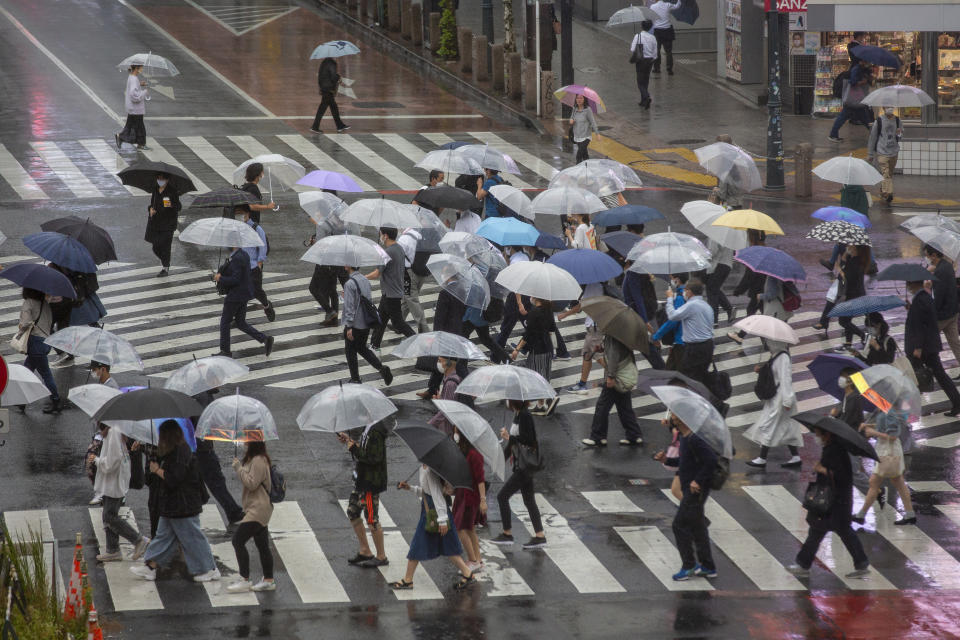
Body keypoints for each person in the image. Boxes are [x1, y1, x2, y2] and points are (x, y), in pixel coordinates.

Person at [130, 421, 220, 582]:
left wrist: (157, 470)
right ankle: (150, 566)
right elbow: (160, 455)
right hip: (173, 505)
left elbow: (174, 478)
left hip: (184, 505)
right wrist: (144, 449)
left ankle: (210, 568)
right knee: (163, 537)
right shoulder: (175, 450)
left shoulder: (182, 452)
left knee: (193, 537)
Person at [786, 425, 870, 578]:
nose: (816, 437)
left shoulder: (835, 451)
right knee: (820, 531)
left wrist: (821, 469)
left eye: (818, 434)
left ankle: (803, 565)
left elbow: (841, 476)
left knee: (828, 531)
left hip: (835, 501)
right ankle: (804, 564)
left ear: (827, 435)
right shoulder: (831, 448)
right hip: (835, 501)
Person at [394, 465, 476, 590]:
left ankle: (408, 579)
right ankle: (467, 573)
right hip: (431, 509)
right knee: (448, 545)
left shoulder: (430, 470)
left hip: (435, 512)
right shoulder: (424, 467)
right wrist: (410, 488)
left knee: (418, 544)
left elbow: (437, 494)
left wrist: (442, 520)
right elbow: (426, 491)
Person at [490, 401, 547, 549]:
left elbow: (529, 440)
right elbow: (513, 445)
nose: (507, 401)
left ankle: (507, 533)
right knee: (529, 501)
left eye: (509, 398)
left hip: (524, 466)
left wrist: (510, 437)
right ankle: (539, 536)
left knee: (502, 496)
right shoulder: (518, 414)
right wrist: (500, 460)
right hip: (521, 465)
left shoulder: (525, 415)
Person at [670, 408, 717, 581]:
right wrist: (665, 460)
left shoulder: (695, 439)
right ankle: (708, 566)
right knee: (698, 528)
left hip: (695, 491)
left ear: (683, 418)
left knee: (679, 525)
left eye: (675, 414)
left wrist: (698, 480)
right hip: (690, 488)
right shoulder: (685, 437)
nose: (672, 416)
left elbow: (711, 460)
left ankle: (689, 565)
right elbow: (682, 462)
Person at [92, 424, 151, 563]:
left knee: (109, 516)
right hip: (115, 480)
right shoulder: (114, 430)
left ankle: (138, 540)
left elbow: (113, 461)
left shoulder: (113, 431)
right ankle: (112, 550)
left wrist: (96, 460)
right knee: (108, 513)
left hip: (114, 481)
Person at [904, 277, 960, 416]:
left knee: (914, 376)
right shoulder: (924, 298)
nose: (908, 287)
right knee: (939, 375)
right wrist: (911, 308)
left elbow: (922, 326)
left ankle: (907, 410)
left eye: (908, 284)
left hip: (924, 348)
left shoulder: (921, 300)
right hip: (929, 346)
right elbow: (923, 319)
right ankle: (957, 403)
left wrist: (918, 347)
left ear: (912, 284)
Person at [226, 442, 276, 592]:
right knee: (262, 545)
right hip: (257, 508)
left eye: (247, 437)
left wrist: (238, 468)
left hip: (258, 509)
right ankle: (268, 580)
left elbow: (252, 484)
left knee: (238, 540)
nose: (244, 441)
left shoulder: (259, 460)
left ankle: (244, 578)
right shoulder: (253, 458)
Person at [744, 340, 803, 468]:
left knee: (769, 425)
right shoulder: (776, 355)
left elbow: (785, 379)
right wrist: (761, 370)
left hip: (781, 399)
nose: (767, 344)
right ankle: (795, 457)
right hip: (777, 398)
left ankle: (762, 458)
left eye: (769, 342)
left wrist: (787, 400)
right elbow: (773, 374)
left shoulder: (783, 357)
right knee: (787, 427)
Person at [339, 420, 390, 568]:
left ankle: (381, 556)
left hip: (370, 484)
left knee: (372, 519)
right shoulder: (368, 427)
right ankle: (365, 550)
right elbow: (366, 449)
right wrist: (350, 441)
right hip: (362, 480)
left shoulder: (376, 430)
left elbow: (374, 458)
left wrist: (353, 449)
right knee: (352, 512)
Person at [853, 408, 915, 526]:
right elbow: (885, 425)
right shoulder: (884, 410)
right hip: (886, 450)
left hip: (889, 452)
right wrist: (869, 425)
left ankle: (861, 515)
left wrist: (872, 433)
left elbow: (893, 436)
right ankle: (910, 514)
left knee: (874, 483)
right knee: (899, 483)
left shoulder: (890, 411)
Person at [192, 389, 244, 524]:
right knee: (216, 482)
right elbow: (204, 421)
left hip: (198, 447)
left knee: (206, 482)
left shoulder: (203, 394)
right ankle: (234, 512)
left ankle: (233, 511)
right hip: (202, 449)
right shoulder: (203, 397)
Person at [213, 246, 274, 358]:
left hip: (236, 295)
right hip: (244, 293)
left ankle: (225, 351)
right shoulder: (243, 254)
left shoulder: (237, 258)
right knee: (240, 322)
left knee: (225, 322)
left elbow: (235, 279)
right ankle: (265, 339)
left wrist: (220, 278)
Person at [583, 333, 643, 447]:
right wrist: (602, 348)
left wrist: (610, 376)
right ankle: (634, 435)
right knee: (624, 407)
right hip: (623, 374)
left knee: (602, 406)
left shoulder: (613, 335)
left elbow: (614, 356)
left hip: (616, 376)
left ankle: (598, 437)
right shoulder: (623, 334)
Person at [342, 263, 393, 385]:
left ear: (349, 266)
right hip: (365, 322)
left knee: (350, 351)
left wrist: (349, 326)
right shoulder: (365, 280)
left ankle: (355, 378)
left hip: (354, 324)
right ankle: (381, 368)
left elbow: (349, 307)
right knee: (362, 348)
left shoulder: (349, 284)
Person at [368, 227, 417, 350]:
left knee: (398, 323)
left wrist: (361, 278)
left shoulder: (388, 252)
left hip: (391, 293)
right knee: (381, 319)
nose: (380, 237)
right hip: (391, 291)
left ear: (385, 236)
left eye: (380, 234)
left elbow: (376, 273)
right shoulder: (399, 248)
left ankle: (417, 342)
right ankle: (375, 344)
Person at [511, 297, 558, 416]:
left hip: (537, 349)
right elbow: (552, 328)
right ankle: (540, 405)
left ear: (537, 298)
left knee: (536, 376)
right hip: (547, 348)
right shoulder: (548, 310)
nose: (530, 297)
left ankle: (550, 398)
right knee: (543, 375)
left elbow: (528, 334)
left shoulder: (534, 312)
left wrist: (517, 349)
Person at [664, 279, 715, 387]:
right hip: (707, 345)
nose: (684, 293)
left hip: (695, 348)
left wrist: (669, 298)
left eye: (685, 290)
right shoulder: (707, 306)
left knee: (688, 379)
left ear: (690, 292)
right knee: (700, 377)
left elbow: (673, 316)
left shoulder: (692, 305)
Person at [19, 288, 61, 414]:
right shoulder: (45, 304)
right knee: (26, 371)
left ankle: (55, 399)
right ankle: (22, 401)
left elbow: (25, 323)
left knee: (45, 374)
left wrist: (20, 329)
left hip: (35, 344)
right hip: (45, 342)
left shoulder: (28, 303)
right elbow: (49, 323)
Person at [560, 282, 605, 394]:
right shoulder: (598, 285)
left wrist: (565, 314)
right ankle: (582, 384)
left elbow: (581, 306)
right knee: (587, 355)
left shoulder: (593, 286)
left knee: (598, 356)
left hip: (594, 327)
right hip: (594, 326)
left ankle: (618, 376)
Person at [453, 428, 487, 574]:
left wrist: (483, 500)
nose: (455, 434)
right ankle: (477, 560)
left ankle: (472, 560)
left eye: (456, 431)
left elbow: (480, 480)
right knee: (469, 528)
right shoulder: (463, 451)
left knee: (460, 528)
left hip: (470, 498)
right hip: (462, 495)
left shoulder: (474, 455)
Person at [727, 229, 767, 345]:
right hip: (763, 288)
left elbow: (750, 275)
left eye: (749, 236)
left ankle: (742, 336)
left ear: (752, 238)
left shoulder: (755, 252)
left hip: (758, 290)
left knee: (752, 312)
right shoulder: (764, 250)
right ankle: (743, 336)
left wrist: (739, 290)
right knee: (758, 313)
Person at [925, 245, 960, 376]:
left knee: (926, 341)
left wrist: (928, 287)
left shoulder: (940, 271)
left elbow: (938, 297)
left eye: (927, 255)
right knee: (955, 343)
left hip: (942, 315)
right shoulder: (947, 265)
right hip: (953, 312)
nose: (927, 258)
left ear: (934, 255)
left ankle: (928, 370)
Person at [243, 208, 277, 322]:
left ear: (247, 214)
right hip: (241, 266)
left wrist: (259, 263)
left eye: (241, 213)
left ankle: (267, 306)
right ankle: (238, 317)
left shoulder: (257, 229)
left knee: (257, 291)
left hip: (253, 266)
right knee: (240, 291)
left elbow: (263, 247)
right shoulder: (238, 228)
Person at [833, 245, 868, 352]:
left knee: (843, 320)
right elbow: (845, 265)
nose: (848, 247)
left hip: (854, 295)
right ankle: (848, 343)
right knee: (847, 319)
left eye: (851, 246)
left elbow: (846, 277)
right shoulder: (854, 260)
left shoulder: (856, 262)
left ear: (856, 249)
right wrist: (844, 257)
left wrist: (839, 270)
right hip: (854, 294)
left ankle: (863, 336)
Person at [145, 172, 180, 277]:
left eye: (162, 179)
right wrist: (150, 209)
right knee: (155, 247)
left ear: (167, 180)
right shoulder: (155, 190)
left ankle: (165, 268)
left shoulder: (172, 191)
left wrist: (171, 205)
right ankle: (165, 261)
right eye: (158, 178)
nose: (160, 181)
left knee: (165, 247)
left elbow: (179, 207)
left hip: (168, 225)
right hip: (156, 224)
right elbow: (152, 204)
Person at [829, 59, 872, 142]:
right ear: (862, 61)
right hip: (853, 99)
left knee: (864, 118)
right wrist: (863, 82)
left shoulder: (861, 69)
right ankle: (876, 134)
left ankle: (833, 134)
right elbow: (853, 82)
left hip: (855, 99)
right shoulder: (856, 69)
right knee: (864, 118)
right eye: (866, 61)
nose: (868, 63)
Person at [495, 245, 531, 349]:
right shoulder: (525, 256)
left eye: (508, 247)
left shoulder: (515, 261)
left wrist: (519, 303)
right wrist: (506, 258)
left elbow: (516, 283)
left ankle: (495, 356)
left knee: (506, 327)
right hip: (526, 294)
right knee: (528, 324)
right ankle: (527, 346)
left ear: (512, 248)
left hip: (516, 297)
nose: (506, 249)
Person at [867, 107, 902, 204]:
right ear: (884, 108)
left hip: (894, 151)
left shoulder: (898, 120)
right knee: (885, 173)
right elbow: (872, 137)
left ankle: (883, 191)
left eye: (891, 106)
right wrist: (870, 154)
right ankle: (889, 193)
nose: (889, 108)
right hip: (882, 151)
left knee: (889, 174)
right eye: (887, 106)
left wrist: (899, 134)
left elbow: (900, 135)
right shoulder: (879, 121)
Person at [397, 228, 429, 333]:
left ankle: (424, 329)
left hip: (409, 273)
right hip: (422, 273)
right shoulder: (419, 235)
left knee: (412, 300)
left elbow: (397, 259)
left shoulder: (403, 239)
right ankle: (398, 323)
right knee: (408, 299)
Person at [653, 273, 688, 369]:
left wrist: (657, 336)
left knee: (677, 376)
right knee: (671, 374)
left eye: (671, 278)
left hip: (682, 342)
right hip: (683, 342)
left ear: (677, 280)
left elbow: (673, 320)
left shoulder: (680, 297)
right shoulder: (688, 294)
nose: (670, 280)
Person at [310, 57, 350, 133]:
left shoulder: (324, 62)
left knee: (333, 107)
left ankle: (339, 125)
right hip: (328, 89)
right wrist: (339, 77)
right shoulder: (332, 64)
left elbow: (326, 74)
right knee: (323, 108)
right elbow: (333, 77)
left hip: (324, 87)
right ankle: (315, 126)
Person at [116, 64, 148, 150]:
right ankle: (141, 143)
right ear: (137, 68)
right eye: (141, 67)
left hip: (132, 108)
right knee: (139, 126)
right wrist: (144, 92)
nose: (142, 69)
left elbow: (132, 88)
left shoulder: (132, 77)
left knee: (130, 125)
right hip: (136, 108)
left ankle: (121, 137)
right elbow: (134, 96)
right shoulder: (134, 79)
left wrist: (139, 84)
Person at [428, 357, 463, 433]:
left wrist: (430, 425)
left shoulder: (450, 384)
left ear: (448, 363)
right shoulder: (454, 376)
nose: (438, 363)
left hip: (449, 428)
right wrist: (440, 400)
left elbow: (446, 411)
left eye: (440, 361)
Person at [705, 239, 734, 325]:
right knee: (714, 289)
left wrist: (702, 255)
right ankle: (729, 309)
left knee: (711, 290)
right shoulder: (726, 234)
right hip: (727, 265)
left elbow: (712, 251)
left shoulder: (715, 233)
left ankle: (714, 319)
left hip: (718, 265)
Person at [630, 20, 657, 110]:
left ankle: (646, 96)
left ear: (642, 26)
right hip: (649, 61)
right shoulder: (653, 37)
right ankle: (643, 101)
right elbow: (655, 53)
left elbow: (632, 49)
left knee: (640, 82)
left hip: (640, 61)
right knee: (646, 80)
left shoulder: (638, 36)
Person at [649, 1, 679, 75]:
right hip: (667, 31)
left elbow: (651, 18)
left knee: (657, 51)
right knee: (668, 51)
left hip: (657, 32)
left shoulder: (652, 7)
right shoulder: (668, 5)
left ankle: (657, 68)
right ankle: (669, 69)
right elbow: (677, 6)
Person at [569, 94, 599, 164]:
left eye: (581, 98)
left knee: (578, 155)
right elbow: (571, 118)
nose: (579, 100)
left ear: (584, 100)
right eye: (577, 98)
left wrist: (597, 133)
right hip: (577, 135)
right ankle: (588, 169)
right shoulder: (574, 109)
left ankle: (577, 171)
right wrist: (571, 120)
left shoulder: (588, 110)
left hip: (586, 136)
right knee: (585, 155)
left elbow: (593, 122)